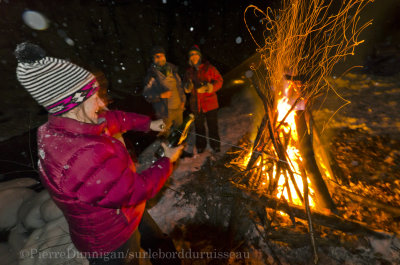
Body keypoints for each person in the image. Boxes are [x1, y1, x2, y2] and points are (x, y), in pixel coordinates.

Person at [15, 42, 183, 265]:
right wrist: (166, 160)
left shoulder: (68, 127)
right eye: (95, 98)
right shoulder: (81, 156)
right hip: (112, 242)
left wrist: (149, 125)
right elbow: (135, 189)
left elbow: (112, 119)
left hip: (124, 212)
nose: (102, 103)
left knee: (157, 242)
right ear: (74, 104)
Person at [183, 45, 223, 155]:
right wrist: (187, 87)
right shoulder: (188, 72)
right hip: (196, 105)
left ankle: (215, 146)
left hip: (210, 104)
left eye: (195, 54)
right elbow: (185, 85)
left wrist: (209, 88)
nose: (193, 57)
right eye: (191, 55)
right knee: (199, 128)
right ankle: (201, 146)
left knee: (212, 127)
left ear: (199, 56)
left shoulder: (208, 68)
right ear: (189, 58)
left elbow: (219, 81)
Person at [143, 46, 186, 135]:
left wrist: (183, 101)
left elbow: (180, 87)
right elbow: (146, 94)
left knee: (180, 133)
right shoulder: (152, 76)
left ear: (165, 56)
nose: (159, 58)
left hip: (178, 109)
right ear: (153, 59)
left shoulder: (173, 70)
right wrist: (161, 95)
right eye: (156, 56)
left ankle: (180, 147)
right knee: (165, 135)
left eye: (161, 55)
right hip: (164, 113)